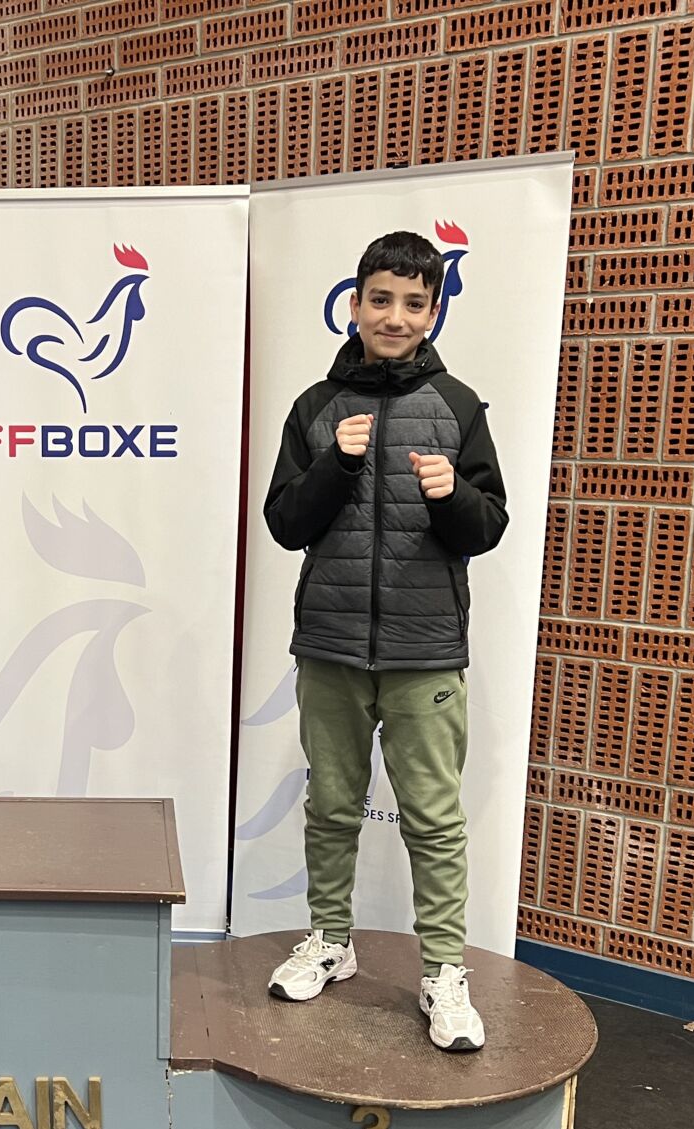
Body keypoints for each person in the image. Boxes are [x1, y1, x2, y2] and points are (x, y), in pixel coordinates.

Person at [262, 231, 509, 1052]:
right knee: (331, 808)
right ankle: (331, 941)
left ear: (431, 312)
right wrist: (335, 464)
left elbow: (486, 528)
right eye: (380, 300)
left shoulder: (459, 406)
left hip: (423, 652)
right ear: (355, 305)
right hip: (330, 649)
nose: (394, 317)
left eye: (412, 303)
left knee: (433, 820)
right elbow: (285, 523)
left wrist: (450, 495)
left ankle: (444, 972)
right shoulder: (315, 408)